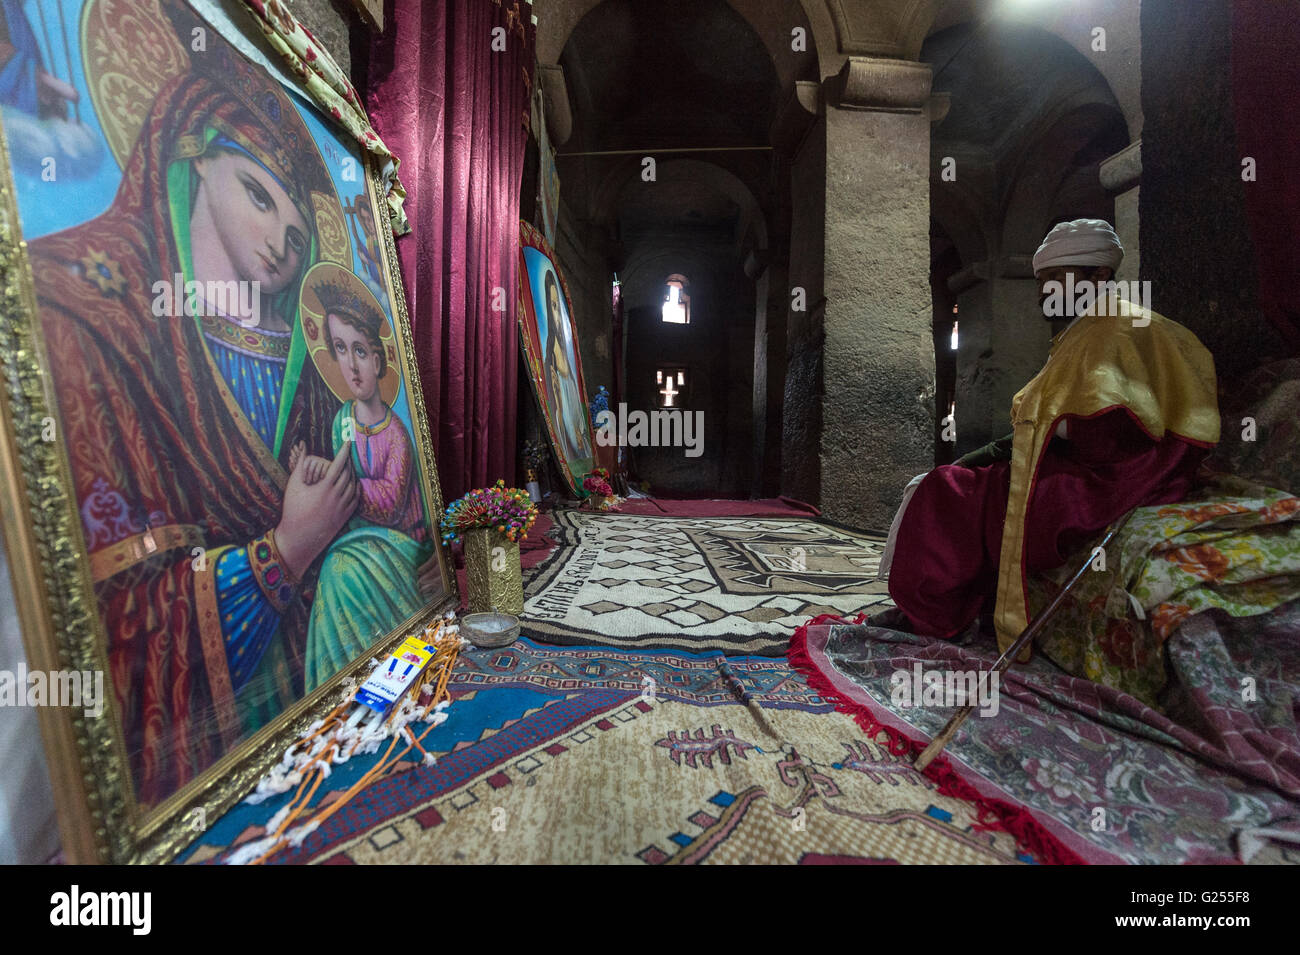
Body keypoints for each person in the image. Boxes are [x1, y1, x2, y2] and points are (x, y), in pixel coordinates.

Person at [28, 38, 361, 806]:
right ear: (193, 157)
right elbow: (113, 629)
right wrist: (285, 551)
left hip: (302, 718)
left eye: (295, 222)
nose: (284, 236)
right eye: (257, 191)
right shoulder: (90, 318)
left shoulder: (305, 356)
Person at [882, 219, 1221, 656]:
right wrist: (995, 452)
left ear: (1098, 275)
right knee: (950, 483)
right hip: (1081, 462)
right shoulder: (1088, 329)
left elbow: (1109, 434)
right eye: (1041, 282)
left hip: (1115, 479)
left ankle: (939, 616)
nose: (1043, 293)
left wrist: (1032, 437)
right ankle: (955, 609)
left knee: (945, 493)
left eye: (1054, 281)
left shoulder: (1119, 327)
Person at [294, 271, 433, 690]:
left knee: (336, 573)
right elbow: (341, 470)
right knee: (334, 570)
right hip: (357, 541)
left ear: (377, 360)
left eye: (359, 351)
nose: (350, 365)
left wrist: (335, 478)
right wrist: (319, 470)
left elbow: (389, 502)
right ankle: (337, 685)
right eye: (340, 349)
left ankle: (350, 678)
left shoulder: (396, 435)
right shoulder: (342, 422)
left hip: (399, 545)